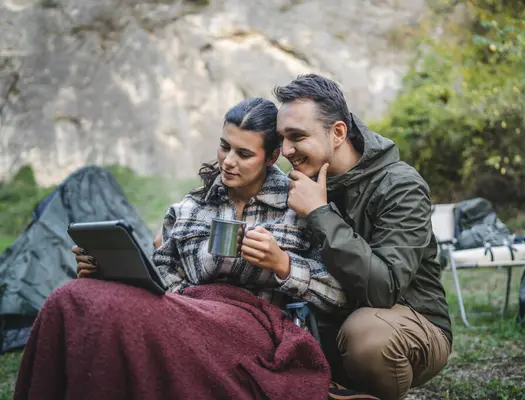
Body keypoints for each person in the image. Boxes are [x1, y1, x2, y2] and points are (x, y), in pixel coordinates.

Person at [14, 98, 349, 400]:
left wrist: (283, 264)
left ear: (272, 156)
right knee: (72, 296)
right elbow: (161, 278)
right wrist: (107, 272)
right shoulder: (188, 208)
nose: (228, 162)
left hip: (255, 327)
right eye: (224, 147)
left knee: (116, 312)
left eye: (244, 154)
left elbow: (339, 293)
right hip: (187, 314)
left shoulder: (300, 205)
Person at [272, 74, 453, 400]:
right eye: (282, 138)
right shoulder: (299, 182)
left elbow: (384, 289)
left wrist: (320, 213)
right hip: (325, 321)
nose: (286, 150)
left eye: (296, 137)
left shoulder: (401, 185)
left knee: (367, 337)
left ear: (338, 132)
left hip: (407, 322)